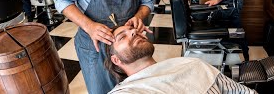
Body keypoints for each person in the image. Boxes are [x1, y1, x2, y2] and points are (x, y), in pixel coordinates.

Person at [105, 25, 257, 94]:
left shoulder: (191, 63)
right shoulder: (130, 90)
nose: (133, 32)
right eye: (122, 37)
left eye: (133, 30)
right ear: (116, 60)